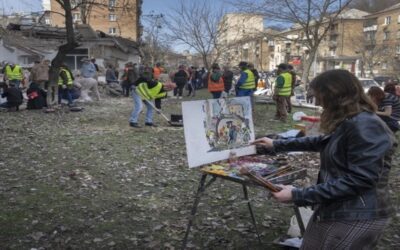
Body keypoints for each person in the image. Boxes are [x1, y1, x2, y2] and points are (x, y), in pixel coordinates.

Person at [252, 69, 396, 250]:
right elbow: (322, 141)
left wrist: (298, 194)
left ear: (335, 95)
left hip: (356, 215)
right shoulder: (352, 120)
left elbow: (359, 180)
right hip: (339, 209)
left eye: (319, 96)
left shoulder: (366, 125)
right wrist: (277, 144)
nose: (317, 102)